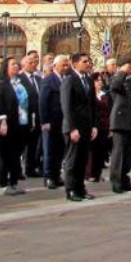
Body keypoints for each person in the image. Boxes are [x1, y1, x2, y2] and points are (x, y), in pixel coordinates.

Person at [0, 57, 30, 196]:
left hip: (20, 123)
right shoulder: (1, 84)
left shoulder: (19, 83)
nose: (16, 66)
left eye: (17, 64)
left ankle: (13, 182)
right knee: (4, 154)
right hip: (6, 124)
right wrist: (3, 121)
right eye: (13, 64)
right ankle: (3, 183)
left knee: (15, 155)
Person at [62, 53, 98, 201]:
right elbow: (67, 105)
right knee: (72, 160)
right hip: (74, 126)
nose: (88, 64)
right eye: (84, 61)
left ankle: (80, 188)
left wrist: (94, 125)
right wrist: (72, 128)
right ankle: (70, 190)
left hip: (87, 126)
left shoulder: (88, 80)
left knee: (83, 159)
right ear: (74, 64)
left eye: (88, 61)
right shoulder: (69, 80)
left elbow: (92, 104)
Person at [108, 57, 131, 194]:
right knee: (118, 153)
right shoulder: (116, 78)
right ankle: (116, 182)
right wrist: (121, 72)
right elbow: (115, 87)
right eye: (128, 66)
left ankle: (124, 179)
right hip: (120, 121)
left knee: (128, 154)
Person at [39, 55, 69, 190]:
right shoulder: (48, 80)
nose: (66, 67)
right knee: (49, 150)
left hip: (62, 121)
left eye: (66, 64)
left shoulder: (65, 79)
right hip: (51, 120)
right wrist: (45, 121)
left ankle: (56, 175)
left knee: (59, 149)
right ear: (55, 66)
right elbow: (43, 101)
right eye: (63, 65)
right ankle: (48, 177)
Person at [17, 53, 42, 179]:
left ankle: (30, 167)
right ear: (23, 65)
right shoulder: (19, 78)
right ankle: (17, 169)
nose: (33, 65)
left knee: (34, 143)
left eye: (34, 63)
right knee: (21, 144)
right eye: (30, 63)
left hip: (37, 115)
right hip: (24, 115)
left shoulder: (38, 78)